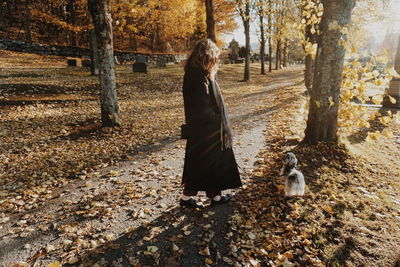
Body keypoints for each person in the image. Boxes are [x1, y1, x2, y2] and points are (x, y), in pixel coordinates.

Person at [180, 39, 242, 209]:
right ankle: (189, 198)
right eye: (215, 56)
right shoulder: (196, 76)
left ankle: (212, 197)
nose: (217, 60)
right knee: (203, 162)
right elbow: (201, 106)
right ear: (207, 56)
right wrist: (218, 119)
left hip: (204, 129)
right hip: (204, 128)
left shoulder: (199, 73)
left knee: (207, 163)